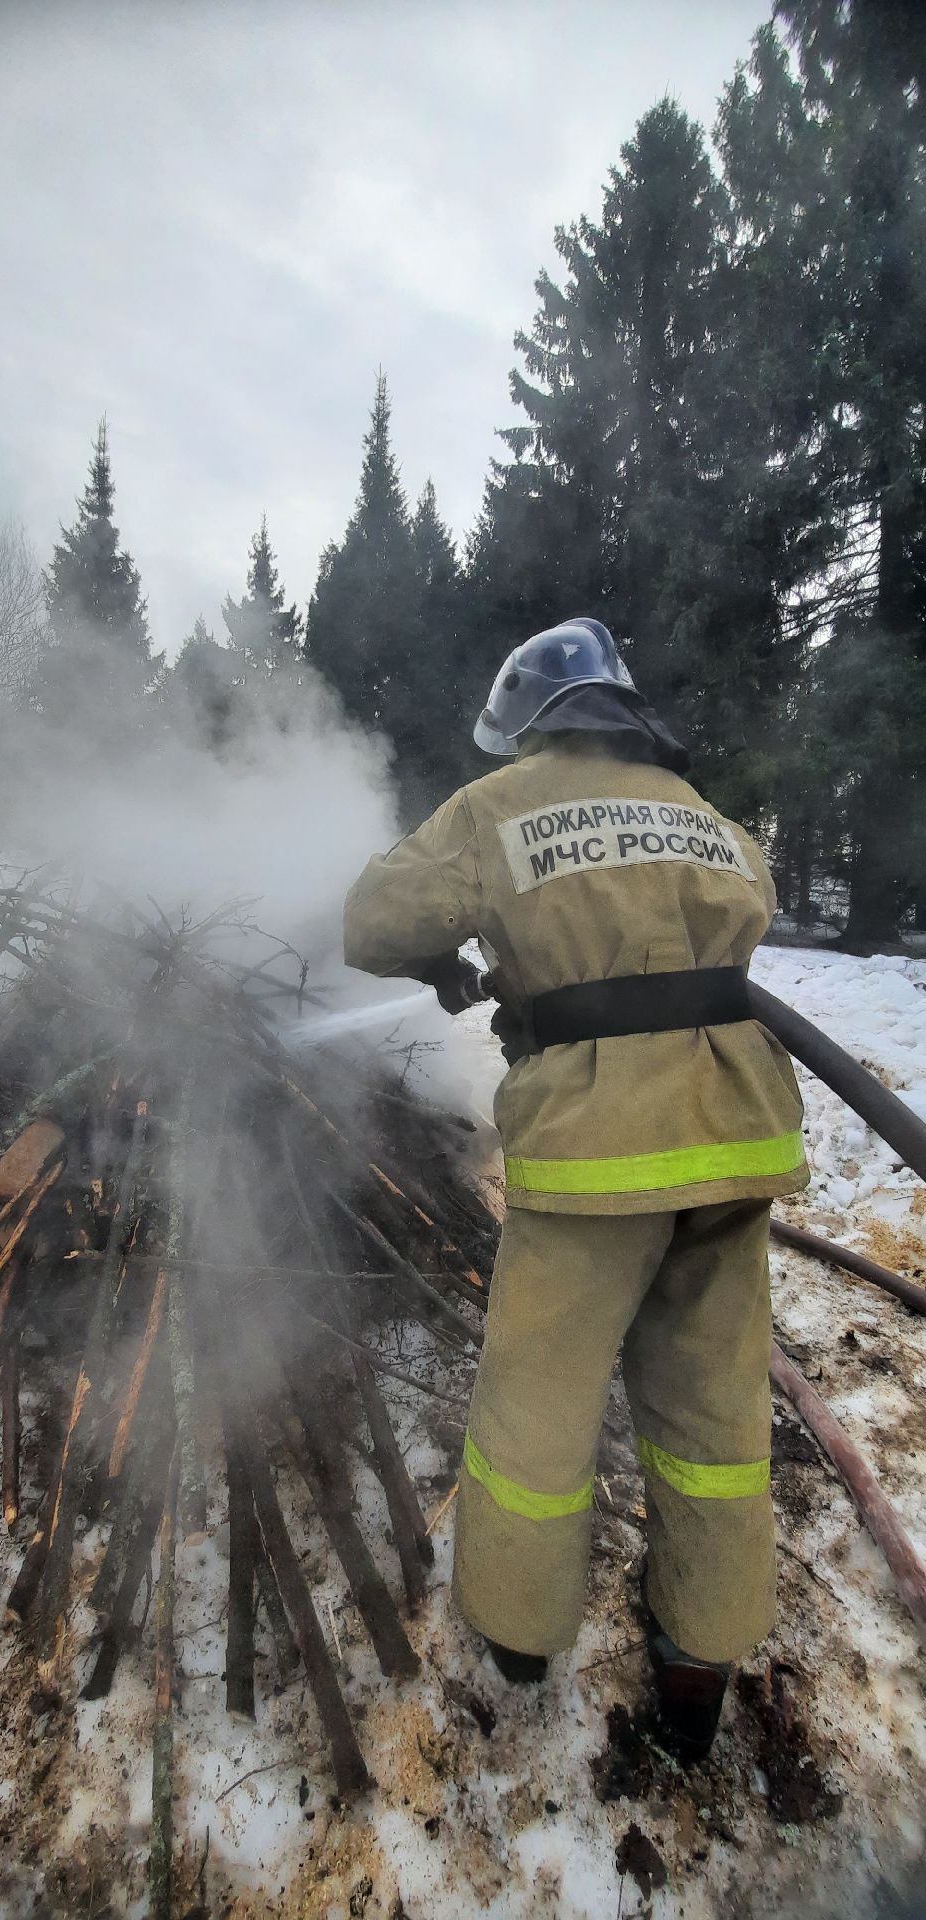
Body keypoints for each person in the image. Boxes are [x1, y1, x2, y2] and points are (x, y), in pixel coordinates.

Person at [342, 617, 808, 1763]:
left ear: (531, 724)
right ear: (622, 707)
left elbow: (373, 921)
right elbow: (744, 907)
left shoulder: (498, 806)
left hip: (599, 1148)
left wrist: (447, 954)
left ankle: (518, 1634)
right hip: (733, 1132)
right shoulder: (703, 816)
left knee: (536, 1408)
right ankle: (702, 1652)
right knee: (712, 1410)